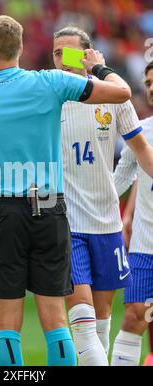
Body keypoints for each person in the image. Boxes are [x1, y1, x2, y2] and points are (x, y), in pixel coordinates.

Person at [0, 15, 132, 366]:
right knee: (56, 318)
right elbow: (123, 93)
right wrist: (101, 67)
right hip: (49, 206)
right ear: (21, 48)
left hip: (3, 210)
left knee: (6, 322)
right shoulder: (51, 82)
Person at [52, 26, 153, 366]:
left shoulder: (113, 97)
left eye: (69, 53)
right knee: (80, 314)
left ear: (89, 55)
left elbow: (139, 152)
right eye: (56, 54)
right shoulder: (48, 95)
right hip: (65, 219)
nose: (62, 62)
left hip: (106, 219)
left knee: (102, 317)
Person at [111, 61, 153, 366]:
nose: (151, 88)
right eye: (148, 83)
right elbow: (122, 177)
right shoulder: (142, 131)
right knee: (134, 314)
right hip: (145, 246)